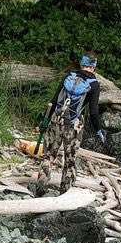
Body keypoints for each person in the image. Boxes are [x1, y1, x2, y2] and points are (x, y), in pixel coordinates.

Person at [35, 53, 106, 195]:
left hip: (56, 118)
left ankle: (42, 181)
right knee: (70, 160)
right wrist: (98, 130)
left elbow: (54, 100)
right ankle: (65, 193)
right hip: (74, 124)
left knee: (49, 154)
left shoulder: (69, 76)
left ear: (81, 64)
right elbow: (93, 112)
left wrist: (45, 120)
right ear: (94, 66)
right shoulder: (94, 84)